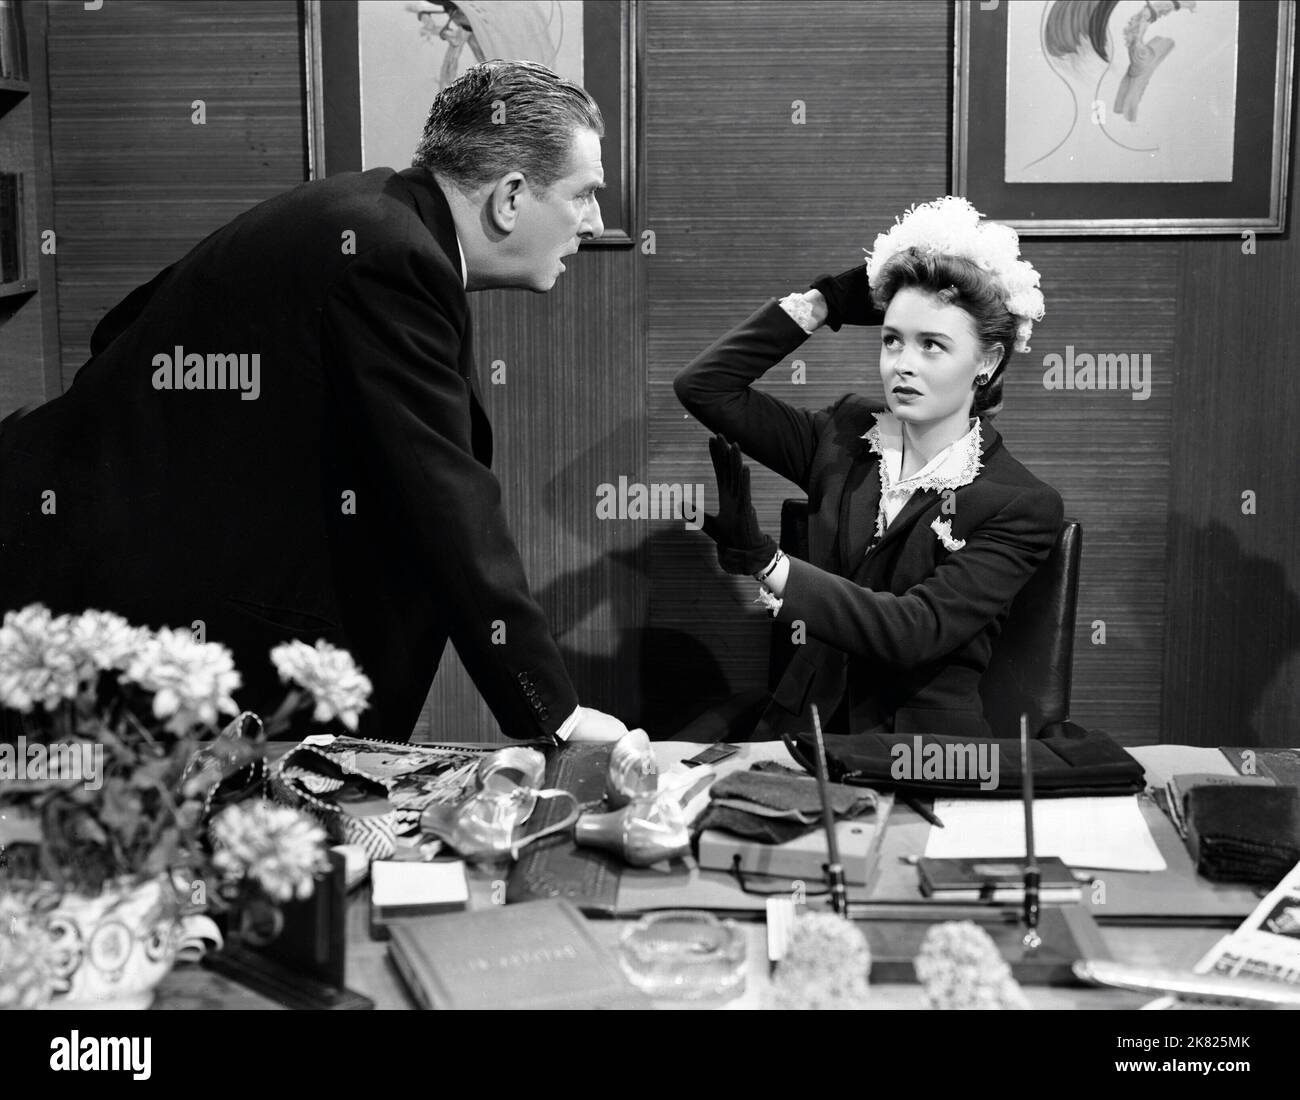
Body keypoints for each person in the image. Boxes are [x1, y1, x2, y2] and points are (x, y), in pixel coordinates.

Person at [0, 60, 627, 745]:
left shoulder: (363, 210)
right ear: (510, 197)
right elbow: (446, 496)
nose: (594, 221)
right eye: (584, 194)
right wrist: (554, 713)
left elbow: (122, 327)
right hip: (100, 614)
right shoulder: (393, 259)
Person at [674, 196, 1062, 741]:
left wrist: (769, 565)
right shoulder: (842, 436)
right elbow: (704, 387)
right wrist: (822, 303)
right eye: (892, 340)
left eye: (933, 345)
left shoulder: (1018, 503)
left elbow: (913, 630)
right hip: (799, 733)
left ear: (988, 361)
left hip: (920, 753)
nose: (903, 363)